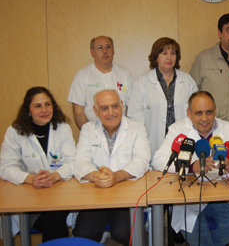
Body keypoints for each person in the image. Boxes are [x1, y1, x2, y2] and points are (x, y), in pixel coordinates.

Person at [153, 91, 229, 246]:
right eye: (198, 113)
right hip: (189, 198)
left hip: (223, 196)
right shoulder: (177, 130)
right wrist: (191, 167)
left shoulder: (228, 128)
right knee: (197, 232)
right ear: (189, 113)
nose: (205, 118)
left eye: (209, 112)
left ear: (215, 111)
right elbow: (158, 160)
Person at [73, 89, 151, 245]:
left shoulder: (137, 128)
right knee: (83, 234)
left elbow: (142, 160)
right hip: (96, 195)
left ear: (122, 106)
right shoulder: (88, 130)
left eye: (115, 106)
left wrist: (117, 176)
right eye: (104, 108)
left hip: (126, 196)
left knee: (124, 233)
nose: (111, 113)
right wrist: (96, 176)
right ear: (95, 111)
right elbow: (80, 161)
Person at [0, 86, 75, 242]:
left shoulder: (63, 129)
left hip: (60, 196)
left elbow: (73, 162)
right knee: (54, 220)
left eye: (48, 104)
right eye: (38, 106)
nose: (44, 110)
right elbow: (5, 167)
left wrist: (55, 176)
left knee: (56, 216)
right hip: (29, 200)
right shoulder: (15, 132)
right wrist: (30, 178)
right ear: (28, 110)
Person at [128, 37, 197, 158]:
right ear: (156, 57)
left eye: (173, 53)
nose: (169, 57)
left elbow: (196, 111)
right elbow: (135, 118)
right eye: (164, 53)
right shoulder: (142, 82)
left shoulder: (187, 80)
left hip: (183, 141)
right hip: (152, 143)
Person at [68, 35, 133, 129]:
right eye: (100, 48)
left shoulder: (125, 75)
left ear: (113, 50)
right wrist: (90, 134)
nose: (105, 51)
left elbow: (131, 108)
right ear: (92, 52)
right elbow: (78, 112)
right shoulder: (82, 76)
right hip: (93, 132)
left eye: (108, 47)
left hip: (122, 132)